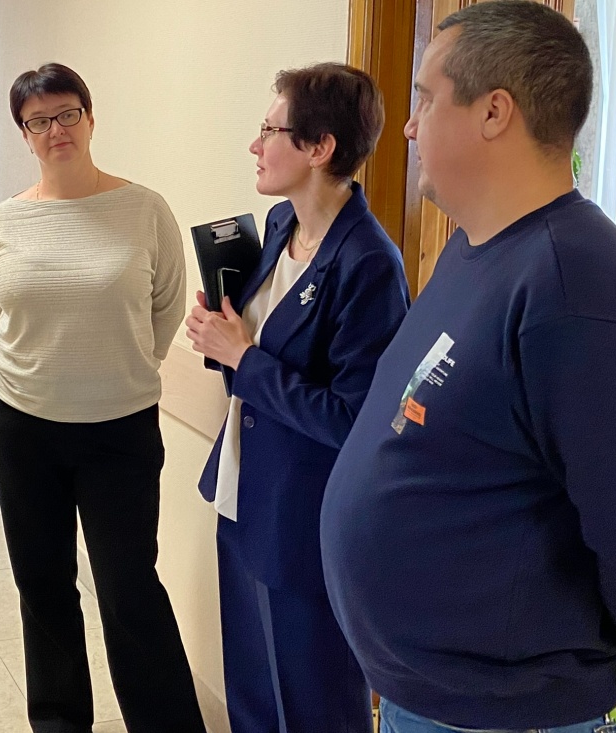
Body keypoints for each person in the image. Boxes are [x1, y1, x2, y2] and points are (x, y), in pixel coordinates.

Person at [320, 3, 616, 732]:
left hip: (516, 714)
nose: (408, 126)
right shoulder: (474, 249)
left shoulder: (576, 282)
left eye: (425, 99)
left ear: (494, 112)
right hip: (432, 701)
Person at [0, 63, 205, 733]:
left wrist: (115, 371)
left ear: (90, 117)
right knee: (42, 584)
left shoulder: (145, 210)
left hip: (119, 429)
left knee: (129, 588)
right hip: (21, 422)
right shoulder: (3, 222)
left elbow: (164, 309)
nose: (56, 130)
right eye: (38, 120)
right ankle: (58, 721)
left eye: (67, 113)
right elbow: (2, 310)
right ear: (24, 134)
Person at [185, 62, 408, 733]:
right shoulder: (281, 224)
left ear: (320, 148)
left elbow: (353, 419)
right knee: (252, 695)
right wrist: (222, 335)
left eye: (270, 131)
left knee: (315, 706)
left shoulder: (368, 264)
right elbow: (257, 349)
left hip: (305, 520)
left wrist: (243, 358)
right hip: (244, 494)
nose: (255, 145)